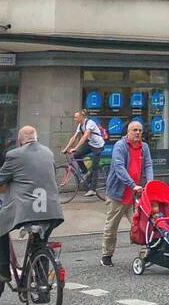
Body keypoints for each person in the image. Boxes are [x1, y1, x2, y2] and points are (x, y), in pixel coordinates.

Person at [0, 125, 63, 282]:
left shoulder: (14, 155)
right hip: (51, 210)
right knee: (40, 242)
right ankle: (41, 282)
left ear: (19, 141)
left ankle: (3, 269)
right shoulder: (48, 153)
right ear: (37, 139)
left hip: (27, 209)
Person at [101, 120, 153, 266]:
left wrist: (149, 183)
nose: (137, 133)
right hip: (117, 194)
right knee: (111, 227)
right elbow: (119, 168)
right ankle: (107, 255)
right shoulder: (120, 146)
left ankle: (145, 256)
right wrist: (132, 184)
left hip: (135, 196)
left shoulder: (144, 147)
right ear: (128, 132)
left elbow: (148, 165)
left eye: (140, 130)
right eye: (134, 130)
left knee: (142, 225)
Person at [63, 109, 105, 196]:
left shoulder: (90, 123)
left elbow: (85, 136)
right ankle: (86, 172)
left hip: (98, 145)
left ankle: (93, 190)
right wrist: (66, 148)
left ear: (82, 117)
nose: (75, 119)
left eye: (76, 117)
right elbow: (74, 138)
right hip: (90, 143)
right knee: (77, 154)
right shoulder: (80, 125)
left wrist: (75, 147)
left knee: (94, 167)